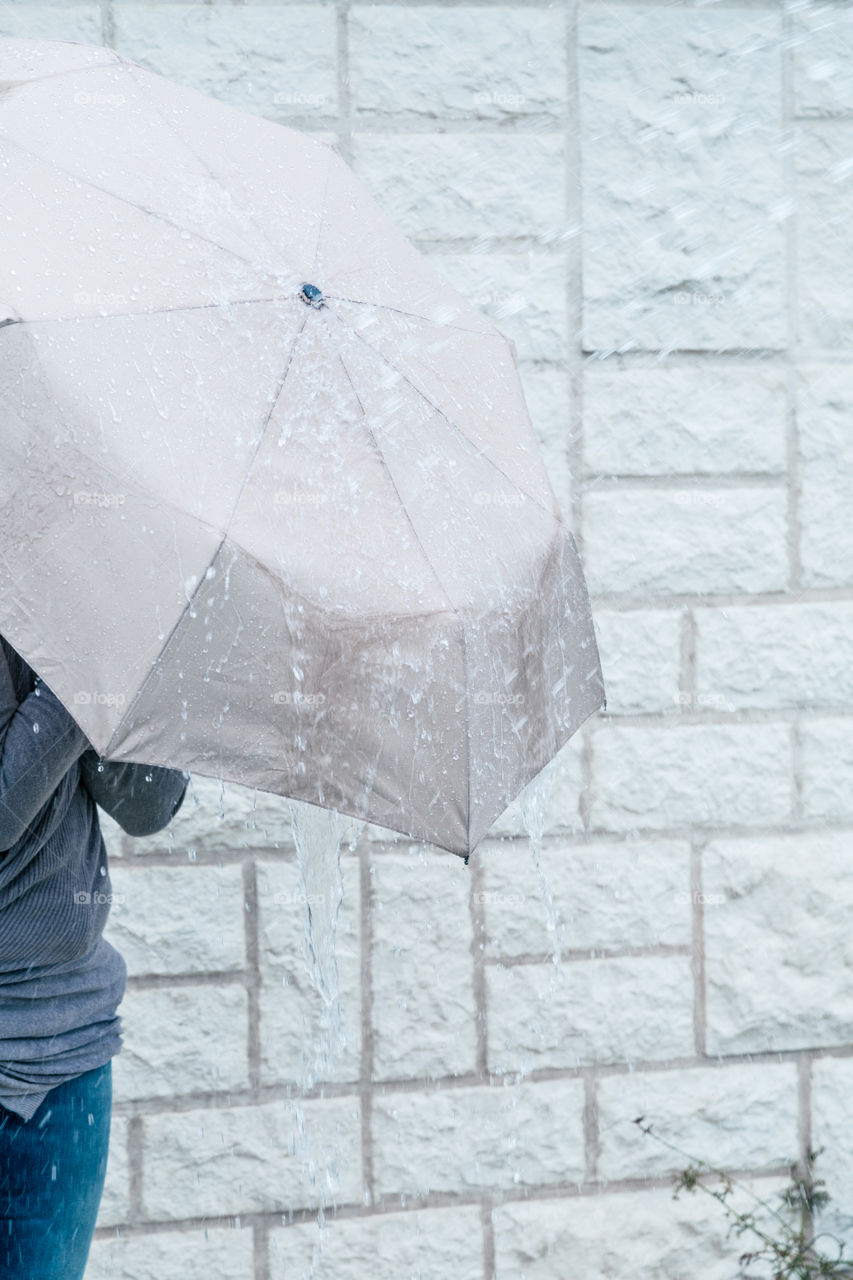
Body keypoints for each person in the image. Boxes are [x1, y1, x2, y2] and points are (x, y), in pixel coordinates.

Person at [0, 633, 189, 1279]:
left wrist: (115, 665)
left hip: (67, 1055)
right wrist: (80, 671)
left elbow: (148, 807)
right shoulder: (78, 649)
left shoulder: (62, 613)